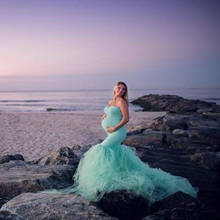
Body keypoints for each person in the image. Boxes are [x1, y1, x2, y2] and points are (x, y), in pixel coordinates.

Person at [40, 81, 198, 204]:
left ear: (124, 92)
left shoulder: (122, 101)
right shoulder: (111, 101)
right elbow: (108, 111)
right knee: (113, 152)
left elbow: (126, 119)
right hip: (112, 131)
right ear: (114, 88)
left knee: (102, 149)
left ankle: (103, 180)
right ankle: (111, 174)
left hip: (118, 132)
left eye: (123, 89)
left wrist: (114, 127)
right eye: (119, 88)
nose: (121, 90)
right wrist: (103, 117)